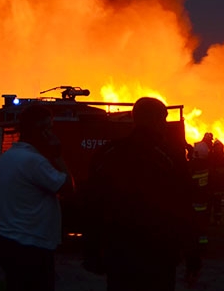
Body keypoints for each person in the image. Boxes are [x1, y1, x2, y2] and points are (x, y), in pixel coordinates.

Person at [82, 97, 201, 291]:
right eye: (163, 119)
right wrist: (192, 255)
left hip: (120, 254)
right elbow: (184, 208)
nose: (165, 125)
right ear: (156, 121)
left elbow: (92, 206)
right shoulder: (170, 156)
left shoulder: (108, 153)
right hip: (159, 254)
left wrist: (92, 252)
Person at [0, 104, 71, 291]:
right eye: (49, 129)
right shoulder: (34, 162)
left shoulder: (7, 158)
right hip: (32, 247)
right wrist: (57, 156)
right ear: (41, 130)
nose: (51, 134)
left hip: (9, 243)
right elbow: (68, 188)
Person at [207, 140, 224, 225]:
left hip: (217, 186)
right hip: (212, 185)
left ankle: (216, 220)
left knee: (216, 204)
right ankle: (211, 220)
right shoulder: (211, 158)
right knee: (210, 204)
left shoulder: (219, 159)